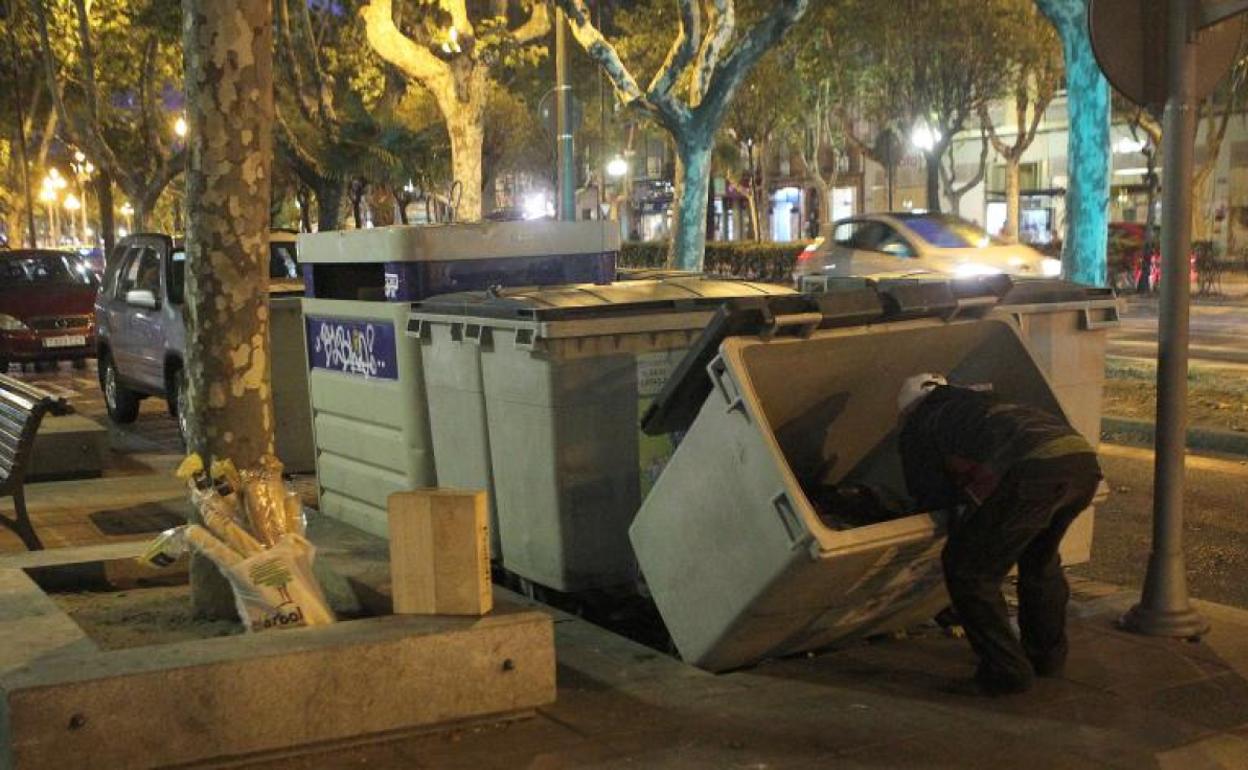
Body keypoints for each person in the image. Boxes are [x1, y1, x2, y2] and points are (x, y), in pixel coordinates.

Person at [896, 373, 1102, 695]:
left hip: (1033, 474)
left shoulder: (922, 421)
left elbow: (931, 493)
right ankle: (1046, 658)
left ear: (908, 410)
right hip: (1081, 465)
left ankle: (1005, 671)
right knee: (1040, 561)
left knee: (969, 571)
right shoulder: (985, 401)